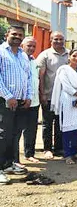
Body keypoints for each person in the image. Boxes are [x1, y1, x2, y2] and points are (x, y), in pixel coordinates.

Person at [0, 25, 32, 184]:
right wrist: (8, 96)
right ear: (7, 34)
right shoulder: (0, 52)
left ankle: (8, 164)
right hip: (3, 100)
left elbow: (28, 77)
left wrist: (28, 96)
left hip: (20, 102)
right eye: (14, 34)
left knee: (14, 134)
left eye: (20, 35)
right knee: (2, 134)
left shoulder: (23, 55)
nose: (17, 37)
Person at [51, 49, 77, 165]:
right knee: (67, 128)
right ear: (69, 57)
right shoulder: (64, 70)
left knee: (76, 128)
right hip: (67, 99)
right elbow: (66, 86)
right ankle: (67, 154)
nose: (76, 59)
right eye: (74, 56)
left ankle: (74, 151)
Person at [37, 31, 69, 159]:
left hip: (65, 97)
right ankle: (47, 149)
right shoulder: (45, 55)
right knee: (48, 123)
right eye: (56, 39)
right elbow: (41, 76)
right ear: (51, 40)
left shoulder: (69, 54)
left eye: (61, 39)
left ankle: (59, 148)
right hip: (49, 95)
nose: (58, 41)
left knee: (60, 123)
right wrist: (42, 93)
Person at [13, 37, 40, 165]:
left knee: (31, 129)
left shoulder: (34, 62)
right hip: (21, 101)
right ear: (22, 46)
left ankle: (29, 154)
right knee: (17, 130)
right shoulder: (17, 59)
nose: (31, 48)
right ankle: (14, 158)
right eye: (29, 46)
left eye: (34, 46)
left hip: (34, 101)